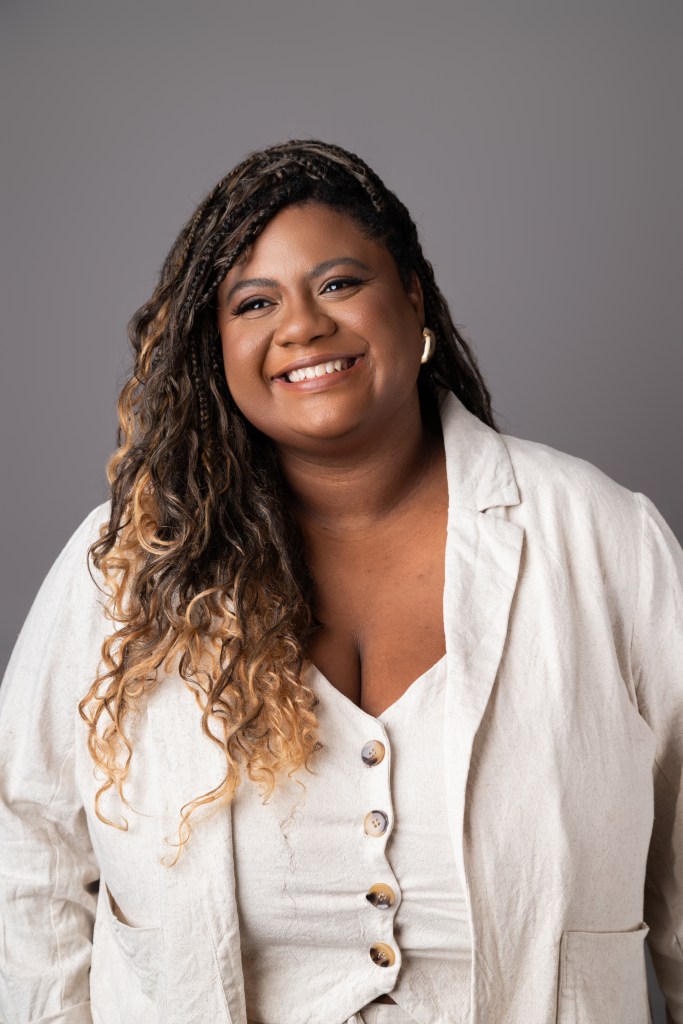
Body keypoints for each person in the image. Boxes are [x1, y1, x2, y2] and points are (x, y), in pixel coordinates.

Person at [0, 137, 681, 1024]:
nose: (301, 327)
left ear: (412, 297)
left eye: (338, 284)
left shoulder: (601, 540)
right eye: (254, 302)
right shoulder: (129, 570)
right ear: (216, 347)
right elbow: (27, 859)